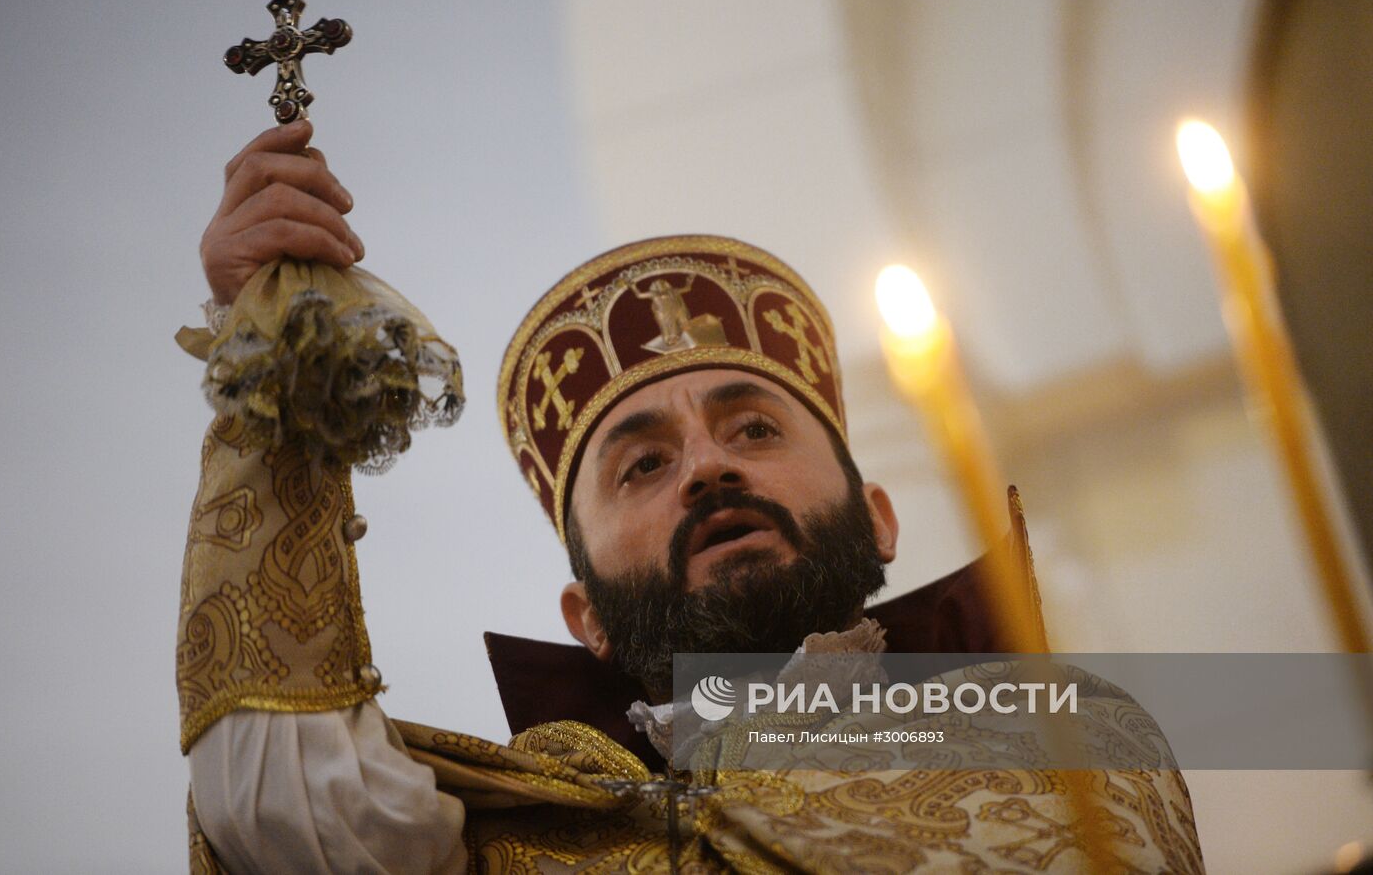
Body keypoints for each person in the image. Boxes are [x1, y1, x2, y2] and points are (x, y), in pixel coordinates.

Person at [177, 121, 1206, 873]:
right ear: (583, 617)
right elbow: (288, 806)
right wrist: (275, 356)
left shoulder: (1073, 740)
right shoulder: (542, 835)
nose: (710, 466)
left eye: (754, 427)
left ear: (878, 516)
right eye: (642, 463)